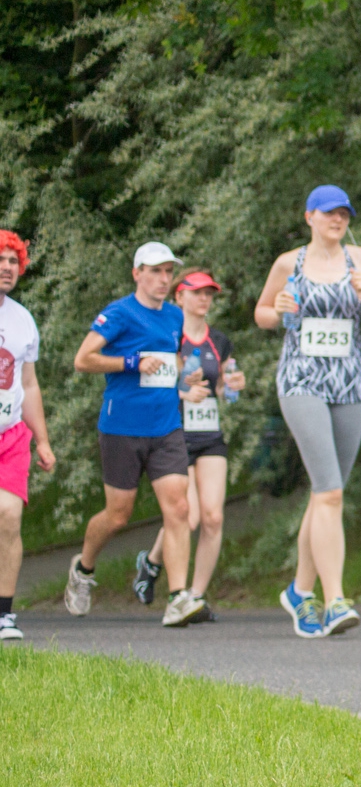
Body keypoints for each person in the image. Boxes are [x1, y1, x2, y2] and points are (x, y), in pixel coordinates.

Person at [255, 185, 361, 638]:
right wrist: (276, 310)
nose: (338, 221)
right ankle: (334, 601)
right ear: (309, 216)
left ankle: (299, 591)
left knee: (325, 492)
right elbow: (262, 314)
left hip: (349, 380)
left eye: (344, 214)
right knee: (330, 492)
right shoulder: (288, 263)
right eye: (329, 213)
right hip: (301, 380)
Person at [65, 242, 201, 626]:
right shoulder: (119, 313)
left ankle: (178, 597)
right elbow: (83, 359)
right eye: (155, 271)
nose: (162, 279)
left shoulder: (174, 316)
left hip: (166, 426)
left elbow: (170, 358)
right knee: (118, 515)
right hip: (122, 427)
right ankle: (84, 569)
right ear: (137, 273)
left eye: (168, 272)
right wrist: (130, 361)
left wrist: (182, 377)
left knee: (179, 508)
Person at [131, 269, 247, 622]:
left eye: (209, 294)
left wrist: (233, 386)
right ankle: (152, 563)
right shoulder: (167, 335)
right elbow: (148, 383)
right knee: (189, 515)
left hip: (210, 433)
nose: (204, 300)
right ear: (178, 296)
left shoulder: (219, 341)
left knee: (213, 517)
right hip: (174, 433)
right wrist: (182, 391)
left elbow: (227, 391)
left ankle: (195, 596)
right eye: (196, 293)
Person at [0, 232, 54, 641]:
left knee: (9, 516)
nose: (6, 268)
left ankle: (4, 614)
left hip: (11, 434)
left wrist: (43, 440)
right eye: (0, 260)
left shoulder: (22, 320)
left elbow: (30, 384)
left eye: (13, 261)